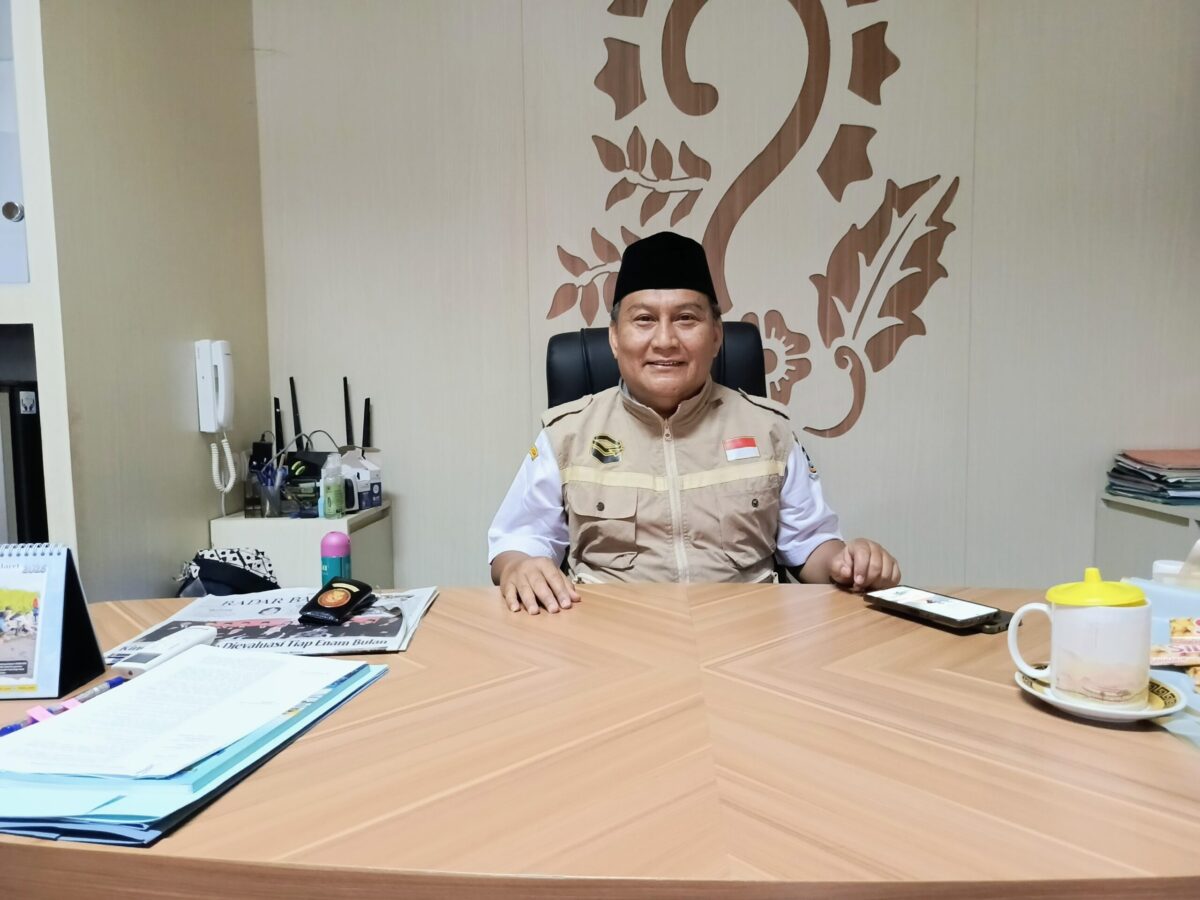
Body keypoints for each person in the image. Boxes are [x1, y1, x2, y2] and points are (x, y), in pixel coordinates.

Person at [489, 231, 900, 614]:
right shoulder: (566, 434)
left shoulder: (769, 430)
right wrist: (518, 567)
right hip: (612, 639)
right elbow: (519, 539)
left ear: (716, 336)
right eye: (644, 319)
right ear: (614, 337)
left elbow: (810, 544)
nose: (665, 340)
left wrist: (849, 562)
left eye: (686, 318)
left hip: (747, 636)